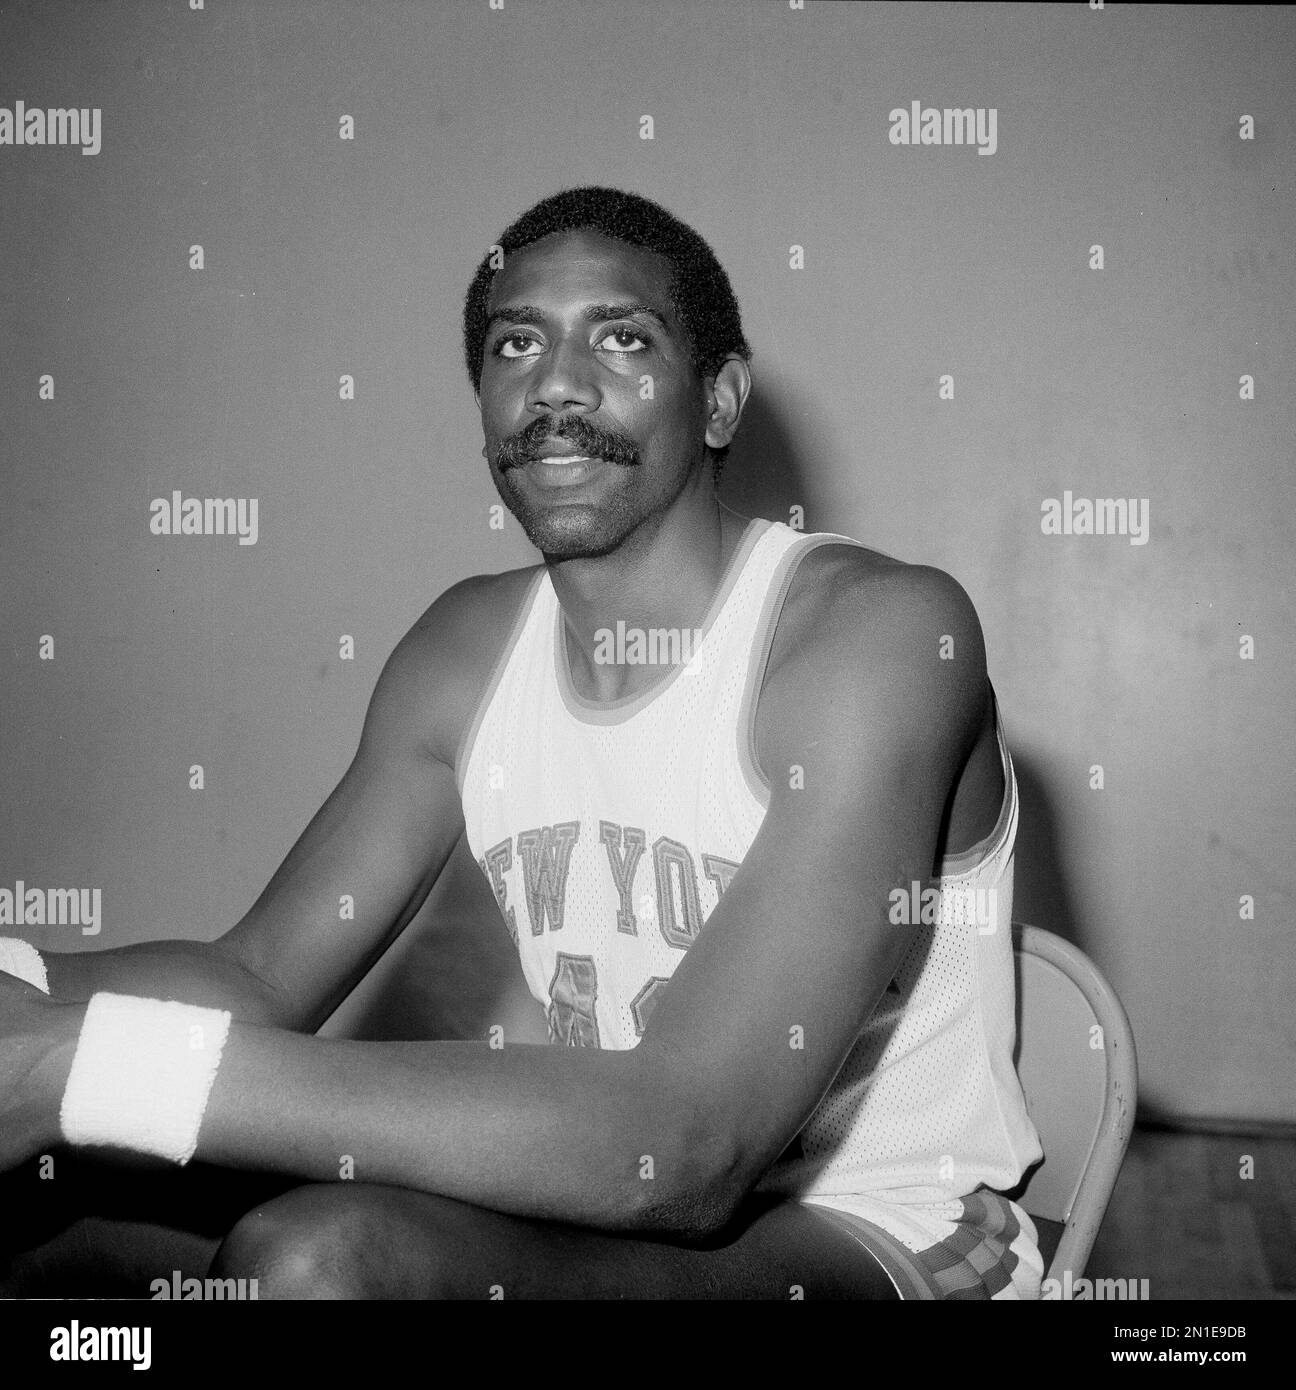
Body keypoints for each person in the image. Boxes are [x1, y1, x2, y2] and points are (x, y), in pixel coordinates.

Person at [0, 185, 1043, 1299]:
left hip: (882, 1226)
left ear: (721, 399)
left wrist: (83, 1063)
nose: (555, 383)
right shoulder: (464, 649)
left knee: (320, 1261)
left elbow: (689, 1142)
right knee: (48, 1198)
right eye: (515, 344)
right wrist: (17, 981)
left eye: (623, 337)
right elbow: (254, 975)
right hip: (599, 1186)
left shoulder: (878, 634)